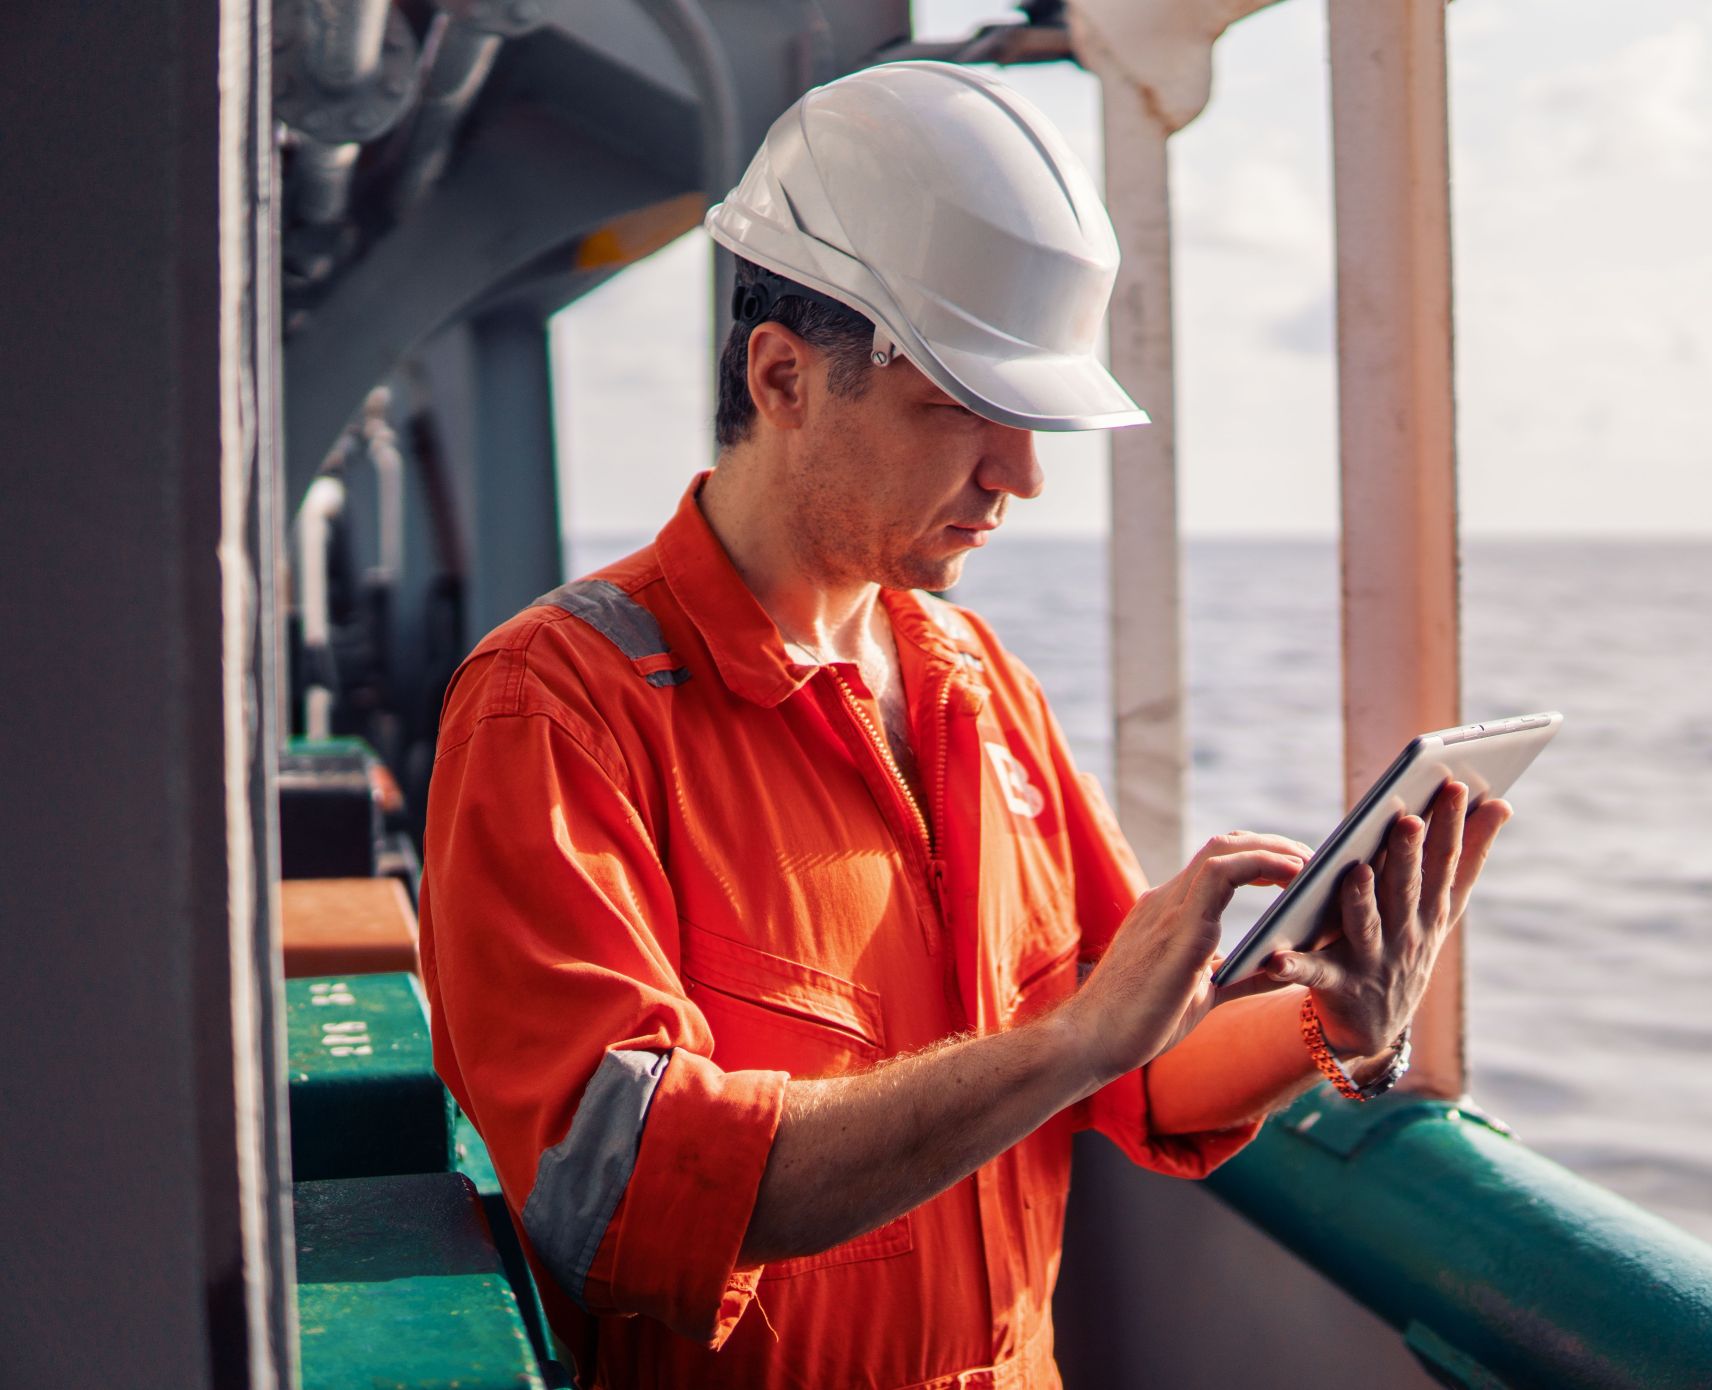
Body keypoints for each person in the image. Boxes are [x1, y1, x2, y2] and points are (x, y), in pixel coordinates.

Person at [419, 60, 1510, 1390]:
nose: (1025, 475)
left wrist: (1327, 1025)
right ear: (784, 378)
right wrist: (1064, 1046)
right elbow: (621, 1193)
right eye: (963, 407)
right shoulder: (557, 706)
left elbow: (1136, 1065)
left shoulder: (973, 678)